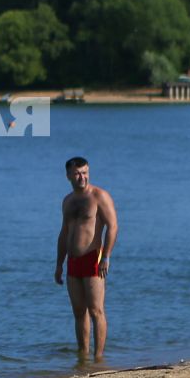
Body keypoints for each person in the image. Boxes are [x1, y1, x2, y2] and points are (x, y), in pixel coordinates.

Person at [54, 155, 117, 363]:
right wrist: (59, 264)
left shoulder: (99, 196)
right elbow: (64, 233)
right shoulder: (68, 201)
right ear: (68, 176)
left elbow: (113, 227)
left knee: (96, 310)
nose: (82, 177)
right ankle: (83, 357)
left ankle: (98, 359)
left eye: (85, 173)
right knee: (79, 311)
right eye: (77, 173)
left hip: (93, 258)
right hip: (73, 261)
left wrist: (106, 256)